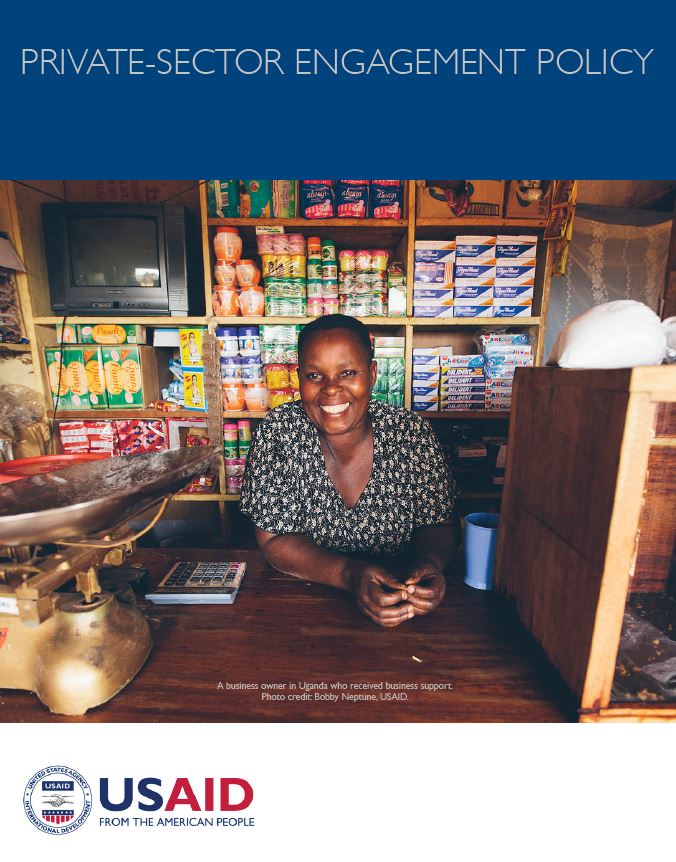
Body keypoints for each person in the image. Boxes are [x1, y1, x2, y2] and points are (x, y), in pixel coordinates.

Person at [240, 315, 459, 627]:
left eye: (347, 373)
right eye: (315, 376)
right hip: (301, 614)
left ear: (371, 374)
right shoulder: (279, 432)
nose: (331, 389)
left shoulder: (410, 433)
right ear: (299, 378)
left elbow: (439, 524)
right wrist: (350, 574)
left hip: (404, 606)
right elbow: (274, 539)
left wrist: (429, 565)